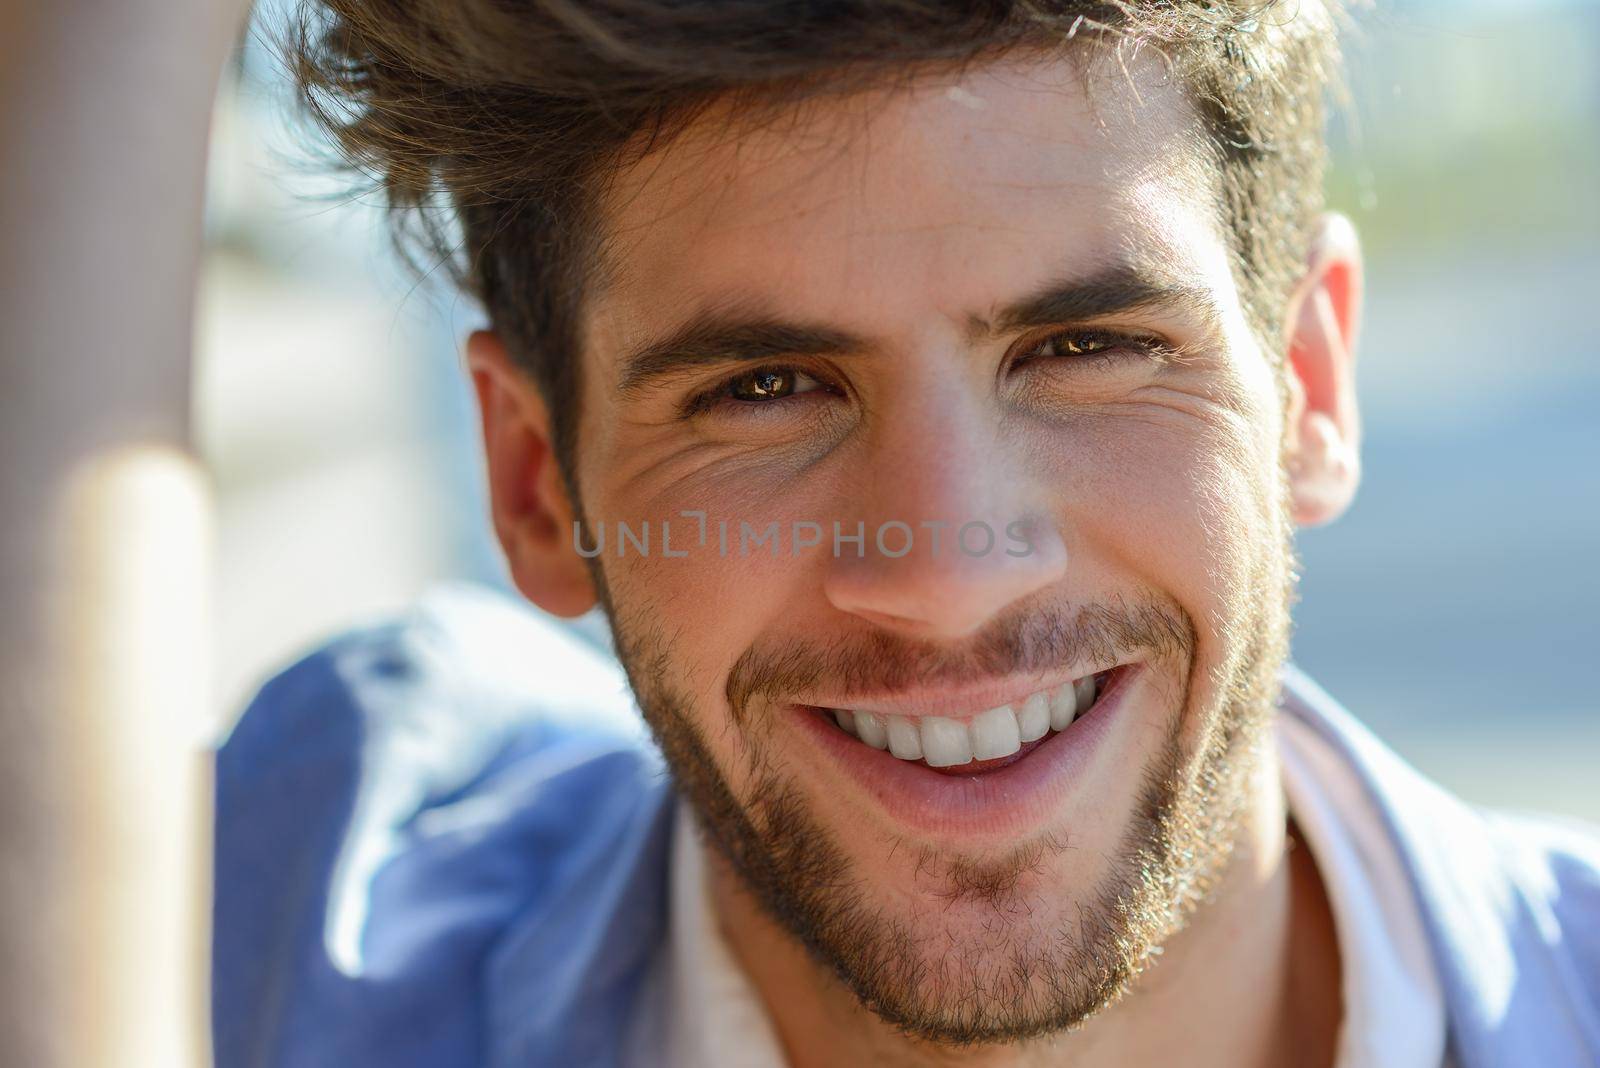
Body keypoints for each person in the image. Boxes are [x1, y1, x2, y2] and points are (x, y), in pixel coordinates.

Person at [213, 2, 1600, 1066]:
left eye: (1085, 348)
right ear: (532, 480)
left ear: (1306, 382)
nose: (945, 578)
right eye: (762, 390)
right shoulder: (288, 928)